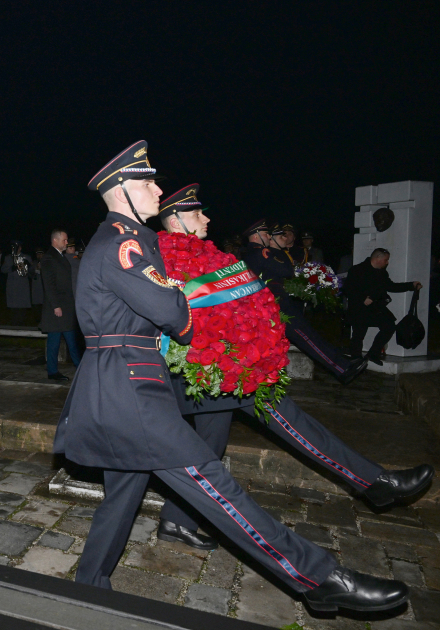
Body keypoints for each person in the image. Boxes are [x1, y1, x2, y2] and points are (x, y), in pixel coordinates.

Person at [54, 141, 409, 613]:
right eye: (148, 183)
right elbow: (174, 314)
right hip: (129, 389)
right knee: (216, 486)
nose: (157, 189)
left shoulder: (118, 240)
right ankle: (319, 577)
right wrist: (179, 297)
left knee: (122, 493)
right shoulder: (124, 243)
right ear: (121, 190)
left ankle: (86, 588)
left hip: (119, 384)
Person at [154, 184, 434, 551]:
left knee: (208, 449)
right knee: (292, 423)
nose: (206, 218)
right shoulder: (163, 256)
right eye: (197, 214)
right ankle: (375, 483)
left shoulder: (213, 255)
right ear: (175, 220)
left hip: (229, 370)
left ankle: (176, 521)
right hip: (212, 370)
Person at [243, 219, 367, 384]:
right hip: (277, 306)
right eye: (266, 234)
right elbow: (285, 270)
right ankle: (342, 368)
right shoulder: (262, 253)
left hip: (275, 304)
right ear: (256, 236)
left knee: (308, 336)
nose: (269, 237)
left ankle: (342, 364)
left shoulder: (253, 253)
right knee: (307, 337)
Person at [345, 248, 422, 365]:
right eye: (386, 260)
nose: (387, 262)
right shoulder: (357, 270)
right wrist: (362, 298)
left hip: (376, 307)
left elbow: (391, 286)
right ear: (377, 258)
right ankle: (355, 357)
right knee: (359, 332)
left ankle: (373, 354)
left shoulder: (382, 273)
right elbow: (348, 288)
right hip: (359, 307)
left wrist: (411, 285)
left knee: (389, 326)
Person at [40, 229, 81, 381]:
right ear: (55, 241)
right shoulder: (49, 258)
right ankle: (52, 371)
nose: (66, 242)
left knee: (71, 339)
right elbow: (49, 285)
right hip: (57, 308)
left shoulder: (60, 256)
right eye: (64, 240)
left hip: (66, 306)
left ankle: (80, 367)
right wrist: (56, 306)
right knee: (55, 341)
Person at [1, 241, 33, 325]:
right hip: (12, 286)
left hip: (23, 286)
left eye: (17, 247)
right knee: (13, 308)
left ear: (20, 248)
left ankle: (21, 325)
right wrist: (12, 268)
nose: (14, 249)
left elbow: (33, 272)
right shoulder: (8, 258)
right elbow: (3, 270)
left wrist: (29, 266)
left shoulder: (27, 257)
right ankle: (14, 325)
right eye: (13, 247)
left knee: (22, 307)